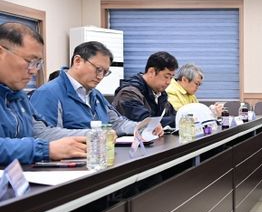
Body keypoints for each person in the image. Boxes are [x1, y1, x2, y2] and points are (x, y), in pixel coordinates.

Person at [30, 41, 162, 137]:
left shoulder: (95, 94)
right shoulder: (48, 93)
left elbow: (116, 123)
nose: (100, 76)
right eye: (98, 69)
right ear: (77, 61)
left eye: (105, 72)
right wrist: (94, 135)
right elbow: (45, 135)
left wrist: (142, 126)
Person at [0, 22, 87, 165]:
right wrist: (45, 149)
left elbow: (40, 132)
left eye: (38, 64)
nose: (34, 71)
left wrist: (89, 136)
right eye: (30, 61)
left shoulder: (18, 96)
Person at [112, 51, 178, 127]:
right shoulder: (129, 93)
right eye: (166, 77)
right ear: (151, 72)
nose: (168, 82)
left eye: (171, 78)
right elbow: (146, 122)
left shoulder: (160, 94)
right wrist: (177, 120)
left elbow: (173, 115)